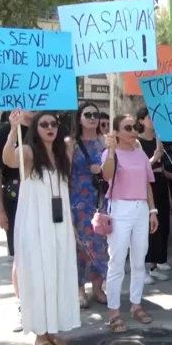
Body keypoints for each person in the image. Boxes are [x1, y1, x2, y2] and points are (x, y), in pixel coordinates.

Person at [3, 110, 80, 345]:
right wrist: (11, 133)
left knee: (58, 273)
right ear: (35, 128)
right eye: (44, 124)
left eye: (53, 124)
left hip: (59, 222)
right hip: (36, 223)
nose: (50, 128)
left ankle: (53, 329)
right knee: (39, 275)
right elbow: (9, 160)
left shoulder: (63, 153)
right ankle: (40, 333)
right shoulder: (28, 152)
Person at [101, 114, 159, 332]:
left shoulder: (141, 153)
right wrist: (111, 152)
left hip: (141, 209)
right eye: (128, 127)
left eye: (134, 126)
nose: (133, 130)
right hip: (119, 208)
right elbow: (107, 175)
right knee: (117, 262)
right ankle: (114, 311)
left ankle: (136, 304)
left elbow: (147, 184)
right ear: (116, 132)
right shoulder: (110, 153)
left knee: (139, 260)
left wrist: (153, 211)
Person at [0, 109, 33, 332]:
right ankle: (23, 306)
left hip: (44, 202)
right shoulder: (5, 132)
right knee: (21, 255)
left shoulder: (46, 128)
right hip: (16, 201)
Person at [69, 103, 108, 309]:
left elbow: (113, 170)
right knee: (81, 246)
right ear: (80, 118)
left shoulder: (104, 142)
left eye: (96, 115)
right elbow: (64, 173)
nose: (93, 118)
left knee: (100, 244)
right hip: (78, 200)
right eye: (88, 114)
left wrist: (101, 170)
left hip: (100, 199)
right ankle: (79, 290)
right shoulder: (71, 144)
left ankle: (98, 288)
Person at [135, 108, 170, 283]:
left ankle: (155, 264)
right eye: (149, 118)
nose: (152, 121)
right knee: (147, 226)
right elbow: (140, 168)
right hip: (146, 184)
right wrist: (154, 158)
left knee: (160, 225)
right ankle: (144, 267)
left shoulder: (159, 140)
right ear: (141, 121)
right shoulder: (137, 142)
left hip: (160, 182)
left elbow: (162, 166)